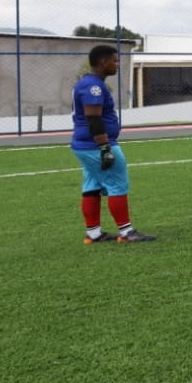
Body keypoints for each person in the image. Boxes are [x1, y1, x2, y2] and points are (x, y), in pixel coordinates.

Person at [71, 45, 156, 244]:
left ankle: (93, 233)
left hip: (84, 144)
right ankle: (126, 232)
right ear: (103, 62)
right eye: (115, 61)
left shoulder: (88, 83)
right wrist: (105, 148)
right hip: (95, 145)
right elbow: (93, 119)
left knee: (91, 186)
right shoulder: (93, 86)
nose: (117, 64)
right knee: (117, 184)